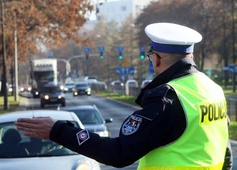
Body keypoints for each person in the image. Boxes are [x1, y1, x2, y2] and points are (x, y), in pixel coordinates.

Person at [15, 22, 232, 169]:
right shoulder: (212, 89)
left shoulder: (168, 98)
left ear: (156, 59)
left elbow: (118, 153)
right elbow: (225, 151)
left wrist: (57, 130)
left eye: (150, 57)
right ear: (190, 55)